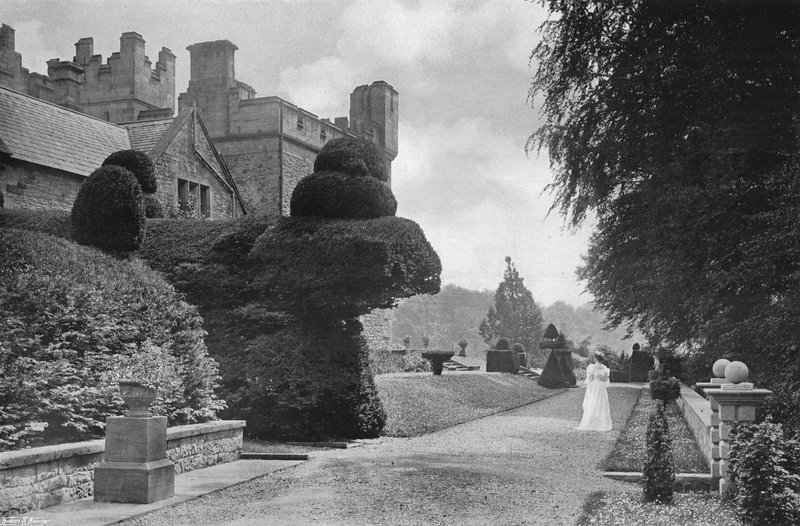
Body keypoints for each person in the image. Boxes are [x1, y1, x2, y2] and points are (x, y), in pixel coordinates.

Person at [576, 350, 612, 431]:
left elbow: (590, 378)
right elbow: (605, 380)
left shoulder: (591, 367)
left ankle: (590, 422)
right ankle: (601, 423)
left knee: (592, 402)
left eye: (594, 357)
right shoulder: (605, 368)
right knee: (601, 403)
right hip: (601, 387)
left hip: (594, 386)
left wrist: (590, 383)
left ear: (595, 358)